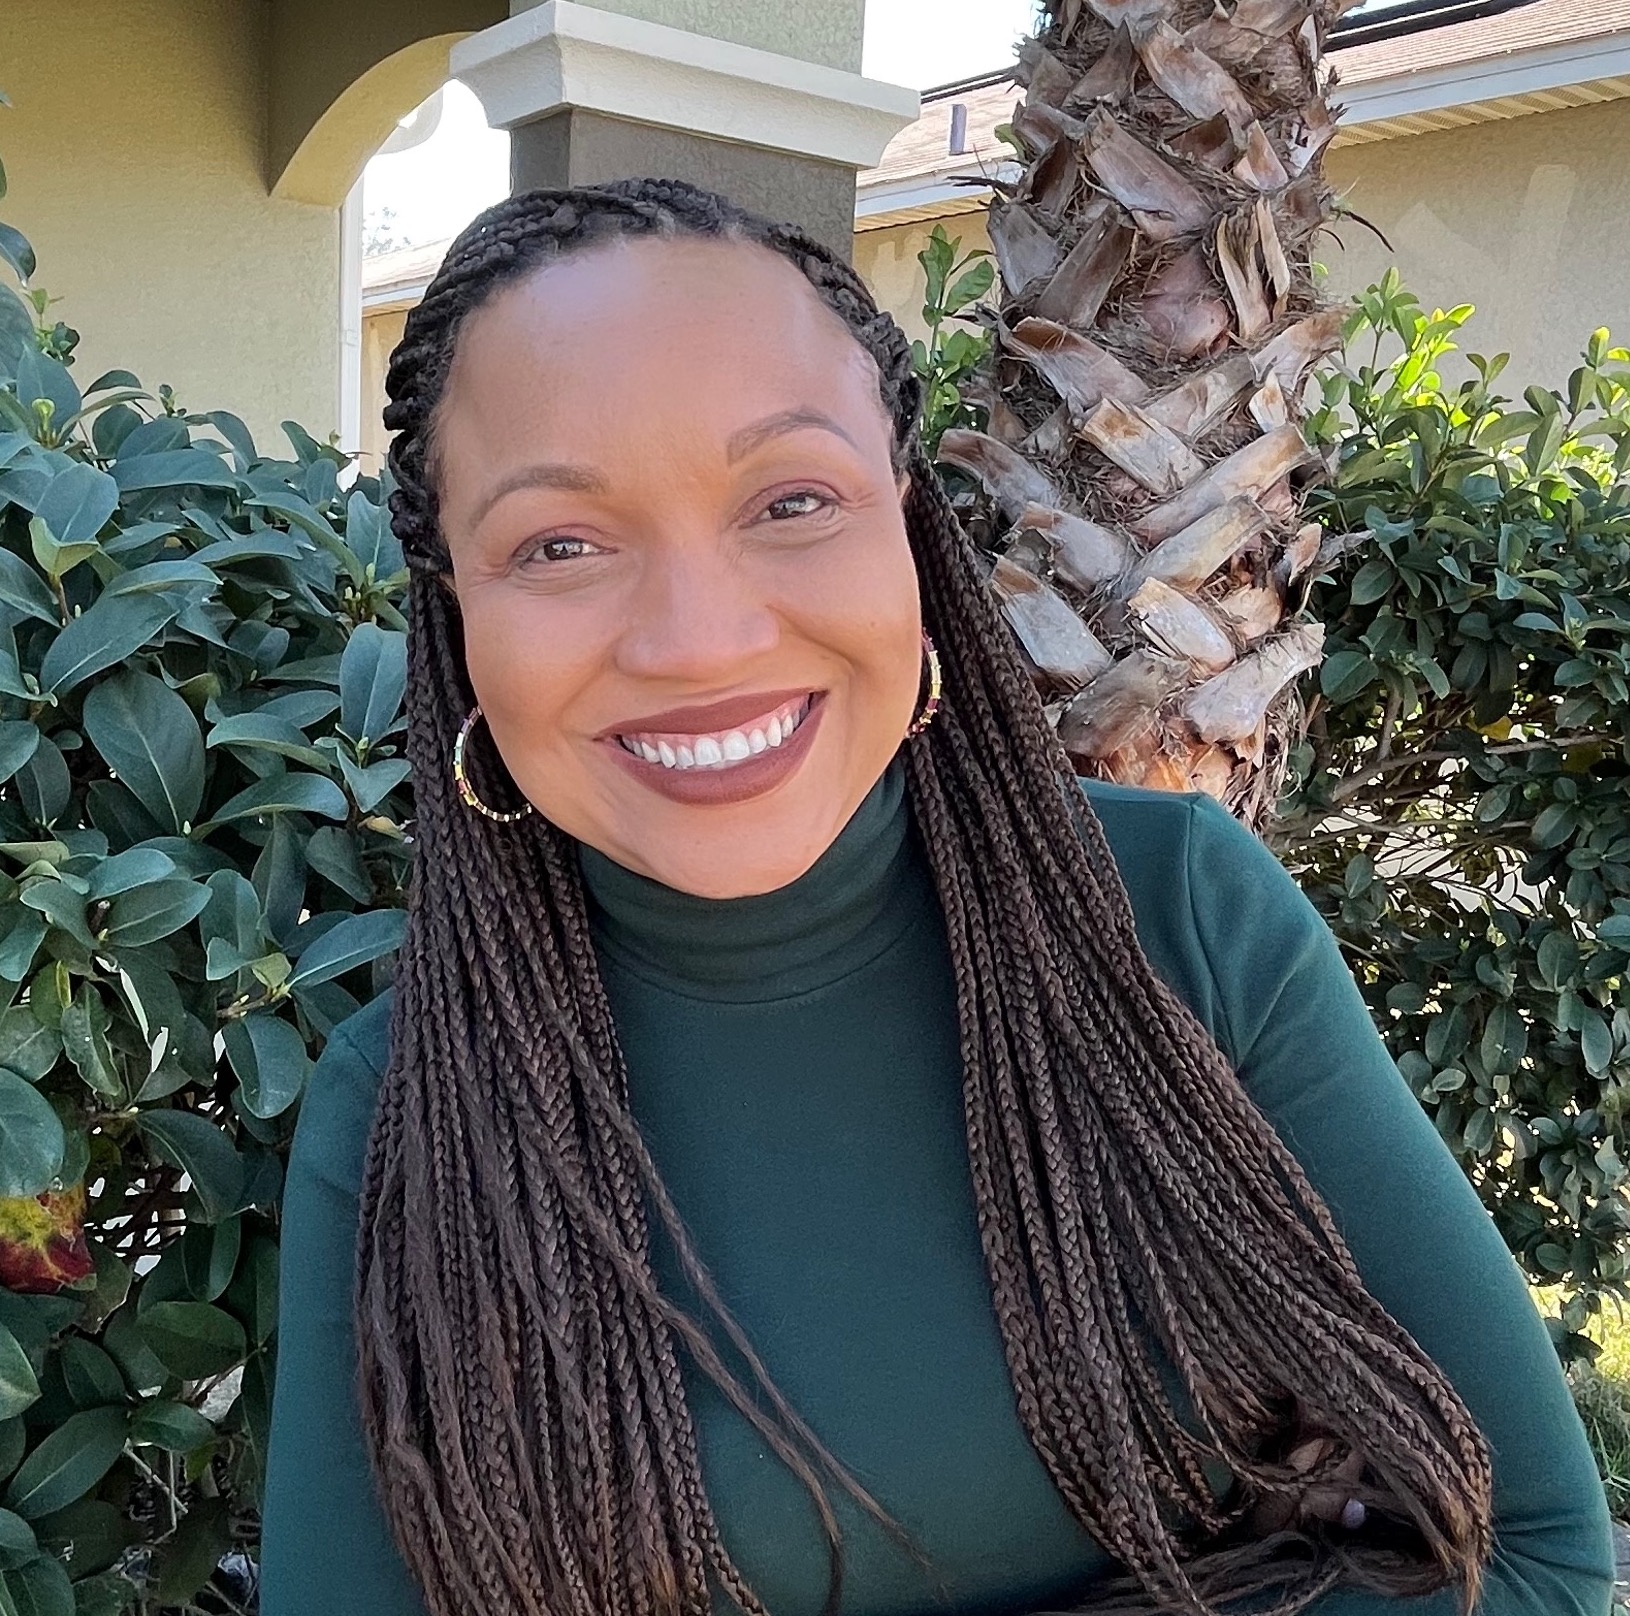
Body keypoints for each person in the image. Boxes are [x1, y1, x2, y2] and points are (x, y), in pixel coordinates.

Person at [258, 179, 1614, 1616]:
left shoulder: (1174, 921)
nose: (698, 640)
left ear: (907, 537)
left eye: (791, 501)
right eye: (557, 545)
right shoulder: (411, 1110)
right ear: (456, 617)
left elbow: (1527, 1554)